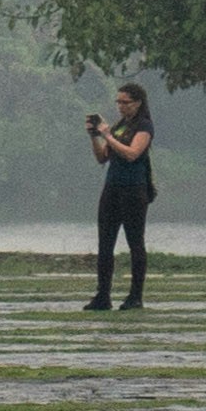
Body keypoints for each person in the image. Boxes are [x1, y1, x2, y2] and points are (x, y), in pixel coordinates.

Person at [83, 83, 159, 311]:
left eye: (125, 102)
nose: (120, 106)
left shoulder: (144, 126)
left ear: (137, 103)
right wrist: (95, 137)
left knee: (135, 242)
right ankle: (102, 295)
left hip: (134, 190)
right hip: (112, 188)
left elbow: (132, 154)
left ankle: (135, 296)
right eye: (118, 102)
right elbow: (103, 157)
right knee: (105, 242)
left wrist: (107, 134)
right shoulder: (119, 126)